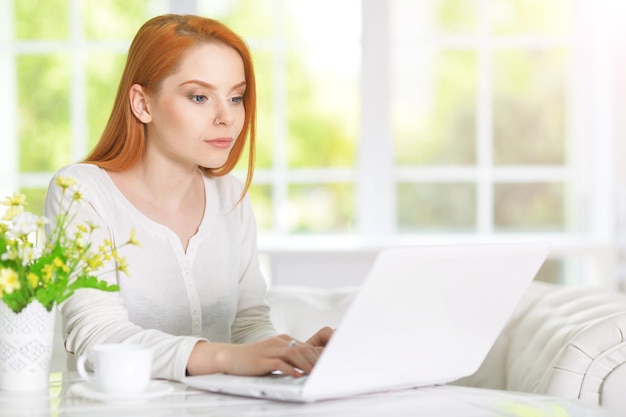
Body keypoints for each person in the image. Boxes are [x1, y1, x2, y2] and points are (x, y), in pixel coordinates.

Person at [44, 14, 332, 381]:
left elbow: (247, 327)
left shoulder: (231, 197)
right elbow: (98, 336)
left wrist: (293, 355)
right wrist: (225, 357)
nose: (226, 117)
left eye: (236, 97)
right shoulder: (81, 192)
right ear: (142, 104)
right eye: (199, 97)